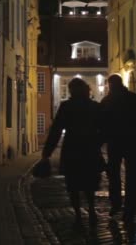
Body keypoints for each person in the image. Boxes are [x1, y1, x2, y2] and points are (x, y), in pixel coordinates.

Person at [42, 78, 103, 228]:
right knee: (89, 184)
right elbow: (105, 127)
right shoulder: (94, 106)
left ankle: (77, 215)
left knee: (73, 185)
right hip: (90, 149)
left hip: (72, 149)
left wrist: (47, 152)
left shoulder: (66, 107)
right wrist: (98, 142)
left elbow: (56, 130)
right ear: (86, 90)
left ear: (71, 90)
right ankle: (92, 212)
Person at [100, 74, 136, 225]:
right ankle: (131, 209)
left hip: (115, 143)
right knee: (134, 177)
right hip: (134, 143)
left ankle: (116, 203)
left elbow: (100, 124)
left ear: (110, 86)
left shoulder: (107, 102)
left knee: (113, 175)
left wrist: (104, 138)